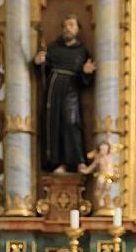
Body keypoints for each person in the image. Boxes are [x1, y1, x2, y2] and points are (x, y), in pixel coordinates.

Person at [34, 13, 96, 173]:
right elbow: (43, 70)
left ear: (77, 29)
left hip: (71, 90)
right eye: (65, 25)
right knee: (55, 125)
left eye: (71, 25)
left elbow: (84, 81)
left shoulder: (82, 51)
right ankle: (58, 163)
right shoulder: (53, 47)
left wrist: (86, 72)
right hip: (53, 90)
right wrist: (38, 62)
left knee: (71, 122)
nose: (68, 28)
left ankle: (79, 161)